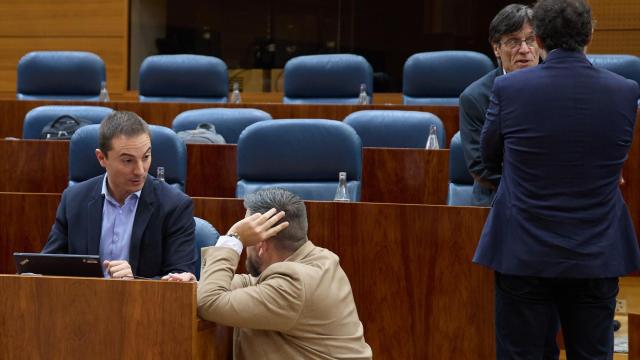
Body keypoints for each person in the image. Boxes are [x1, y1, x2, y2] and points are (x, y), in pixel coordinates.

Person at [474, 0, 640, 359]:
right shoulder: (625, 91)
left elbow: (488, 156)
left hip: (524, 250)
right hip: (596, 250)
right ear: (591, 36)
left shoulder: (510, 89)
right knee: (593, 353)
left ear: (541, 39)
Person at [195, 188, 372, 360]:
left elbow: (209, 302)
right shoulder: (320, 259)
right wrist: (194, 286)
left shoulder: (293, 284)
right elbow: (251, 282)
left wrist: (233, 239)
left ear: (261, 244)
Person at [43, 111, 196, 280]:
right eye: (128, 161)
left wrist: (134, 283)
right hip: (84, 301)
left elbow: (180, 281)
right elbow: (49, 267)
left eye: (146, 157)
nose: (140, 170)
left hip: (144, 304)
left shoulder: (175, 206)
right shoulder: (73, 200)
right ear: (102, 158)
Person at [459, 4, 540, 207]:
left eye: (531, 40)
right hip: (497, 196)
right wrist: (531, 191)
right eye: (513, 41)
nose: (524, 50)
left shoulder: (558, 86)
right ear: (496, 48)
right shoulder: (475, 97)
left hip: (548, 195)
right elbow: (481, 167)